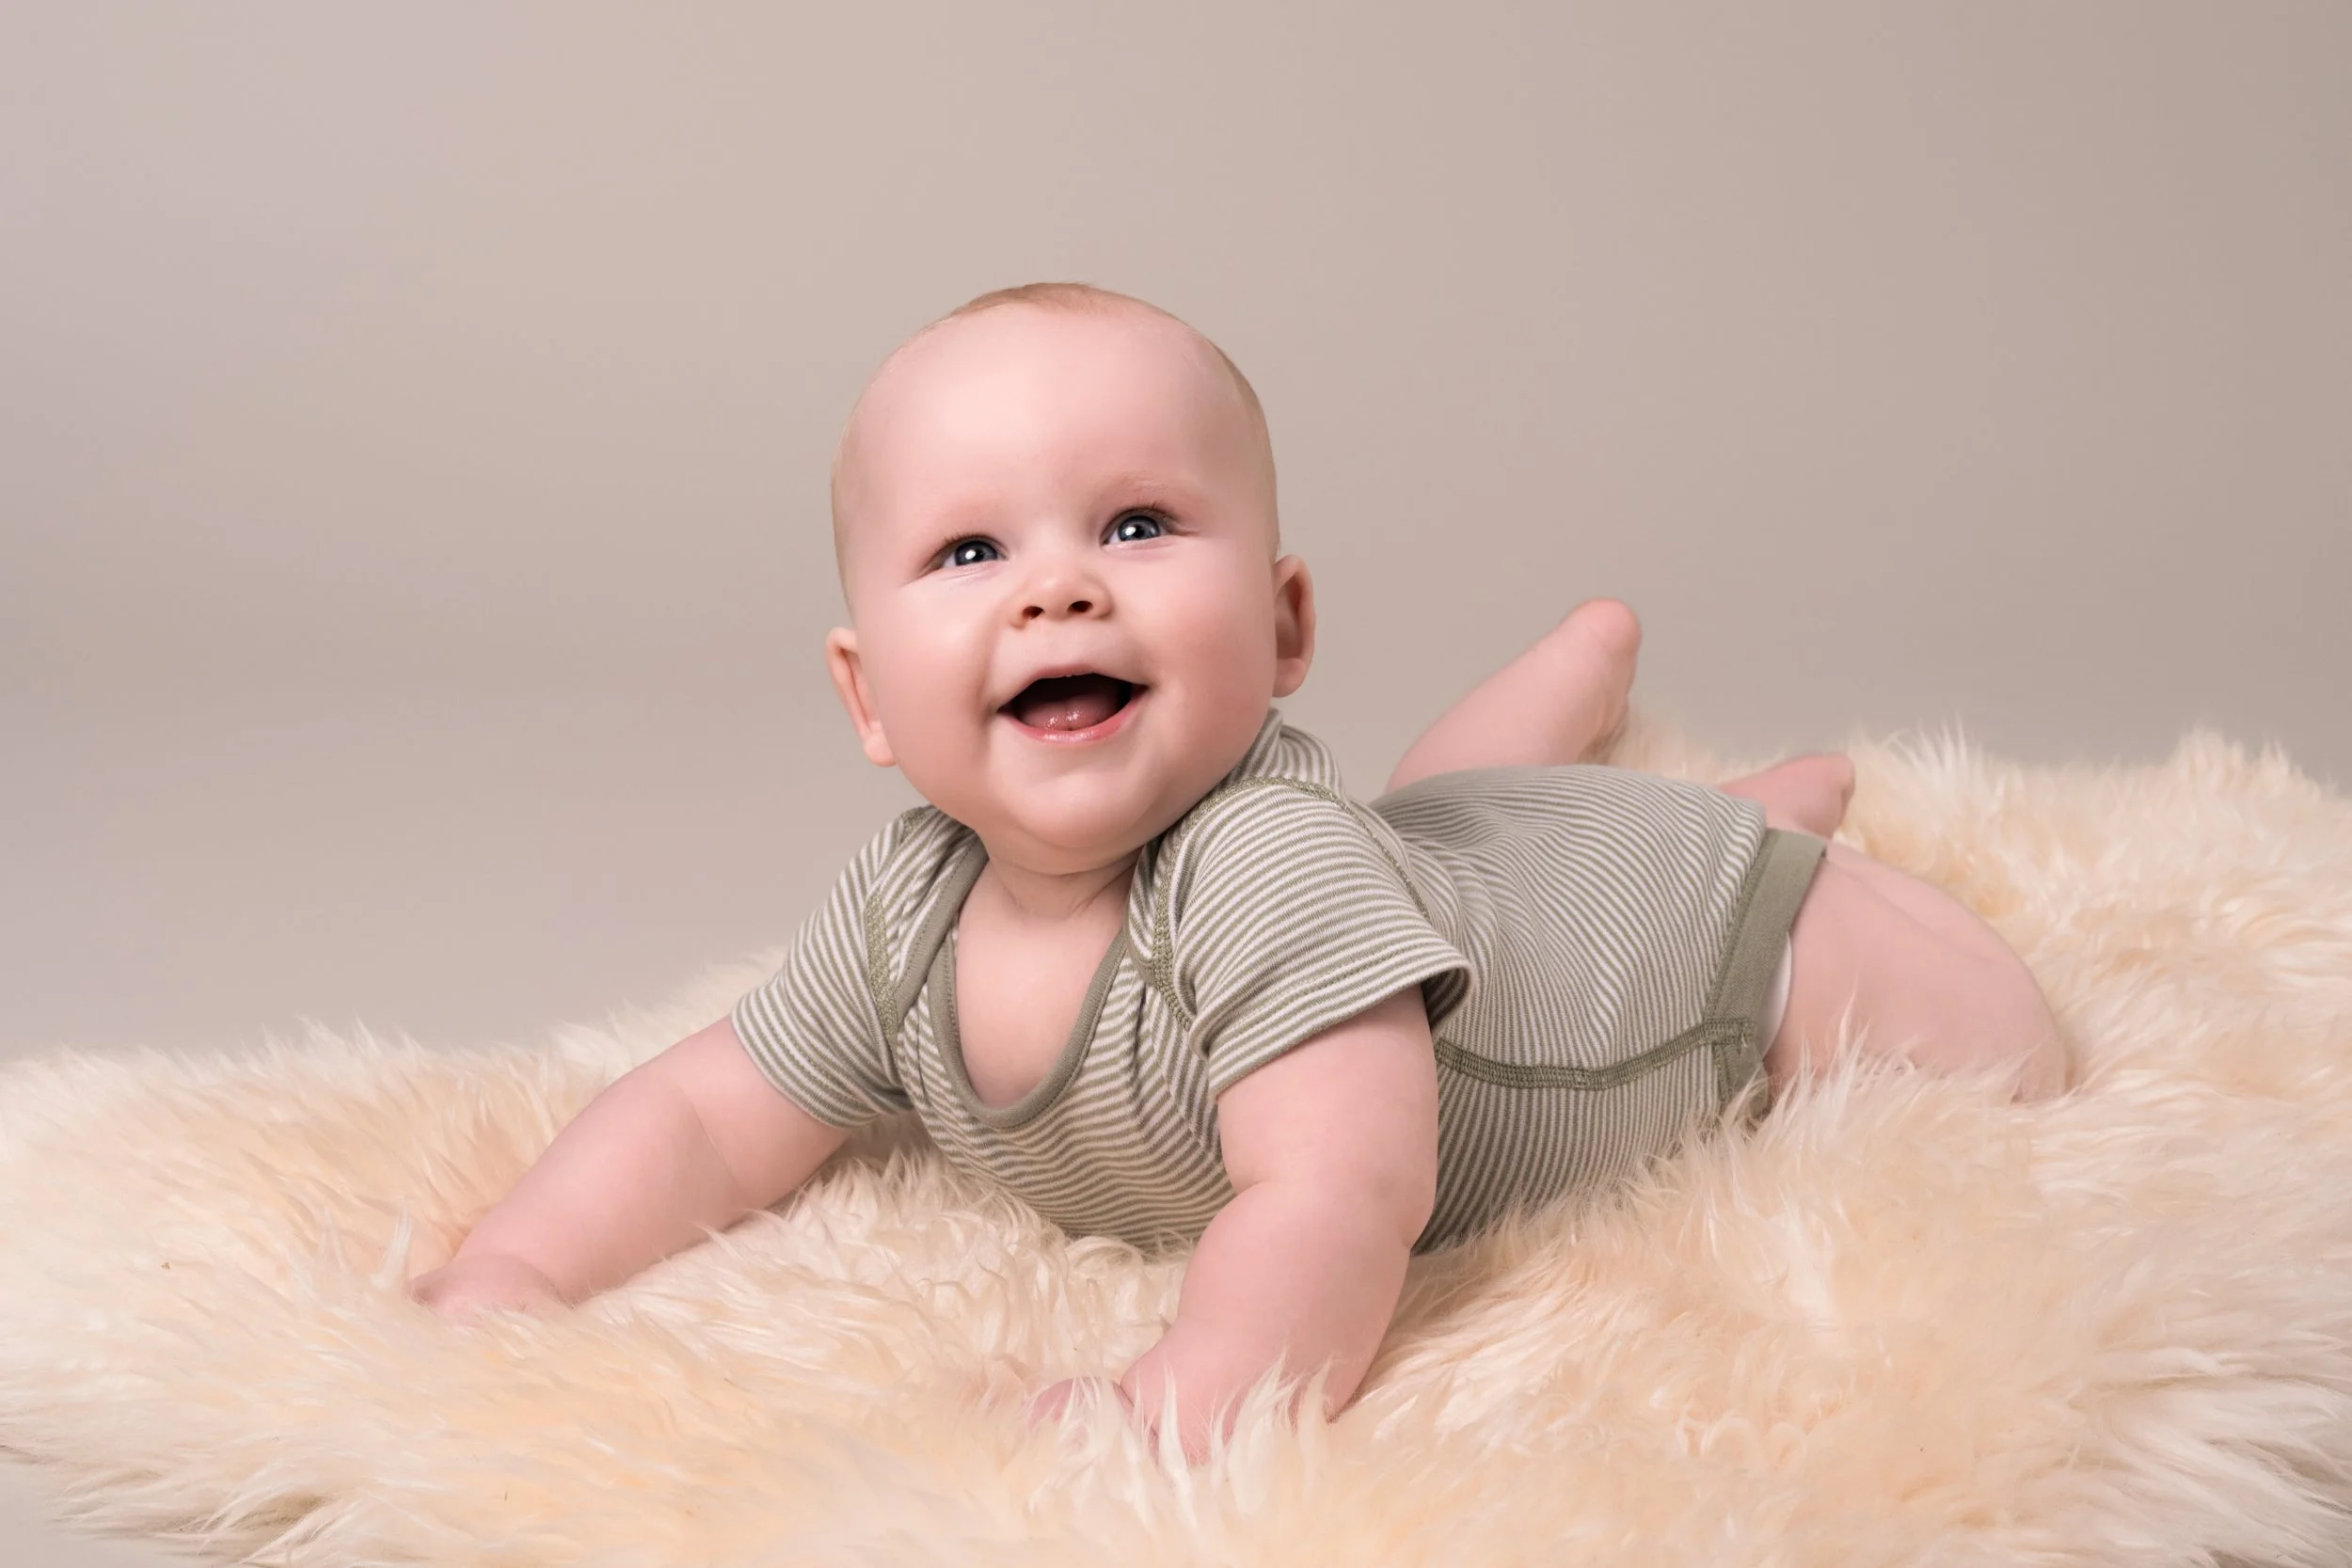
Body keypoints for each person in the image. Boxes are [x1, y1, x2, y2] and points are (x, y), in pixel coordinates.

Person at [406, 282, 2069, 1461]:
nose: (1057, 591)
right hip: (1476, 864)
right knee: (1450, 820)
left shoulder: (1264, 868)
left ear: (1283, 630)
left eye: (1134, 525)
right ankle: (1619, 716)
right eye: (972, 550)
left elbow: (1340, 1193)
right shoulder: (902, 908)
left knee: (2014, 1045)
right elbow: (705, 1111)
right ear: (864, 693)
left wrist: (1184, 1396)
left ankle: (1767, 831)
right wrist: (521, 1268)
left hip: (1680, 954)